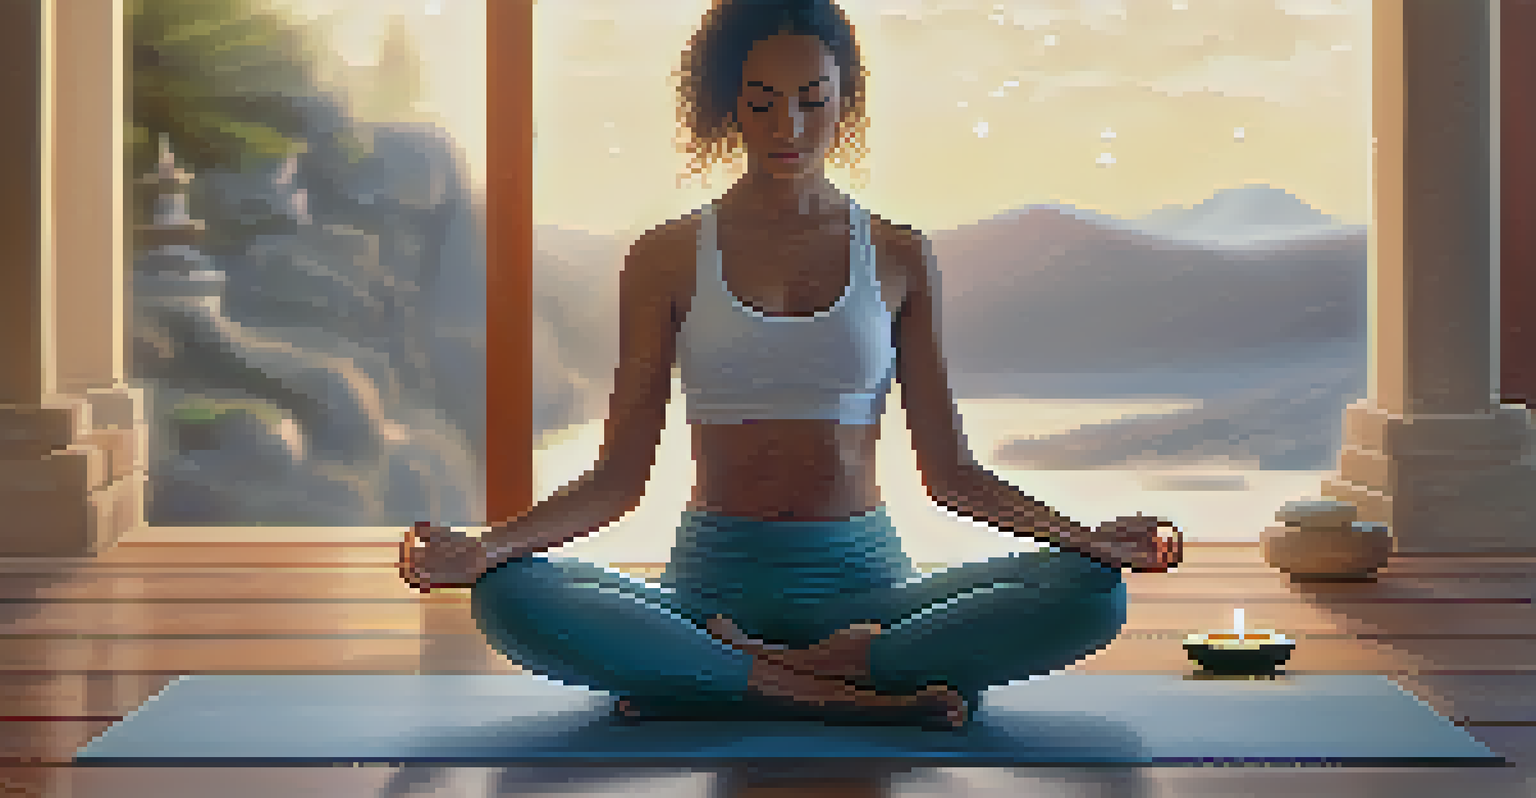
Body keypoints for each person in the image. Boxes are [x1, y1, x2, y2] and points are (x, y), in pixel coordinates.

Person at [399, 0, 1181, 731]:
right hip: (709, 594)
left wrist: (1088, 540)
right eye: (762, 101)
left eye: (812, 99)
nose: (789, 126)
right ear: (727, 103)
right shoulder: (666, 256)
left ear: (847, 99)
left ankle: (734, 675)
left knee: (1090, 594)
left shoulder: (899, 254)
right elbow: (616, 482)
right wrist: (485, 550)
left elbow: (952, 475)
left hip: (869, 592)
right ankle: (843, 689)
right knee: (511, 595)